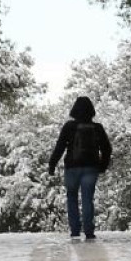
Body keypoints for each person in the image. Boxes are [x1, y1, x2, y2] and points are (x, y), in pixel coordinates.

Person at [47, 96, 112, 240]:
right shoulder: (97, 128)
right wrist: (102, 166)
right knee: (88, 199)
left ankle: (75, 230)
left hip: (72, 168)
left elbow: (60, 147)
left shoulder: (69, 126)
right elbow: (107, 149)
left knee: (72, 198)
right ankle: (89, 231)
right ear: (91, 111)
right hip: (91, 167)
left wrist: (52, 164)